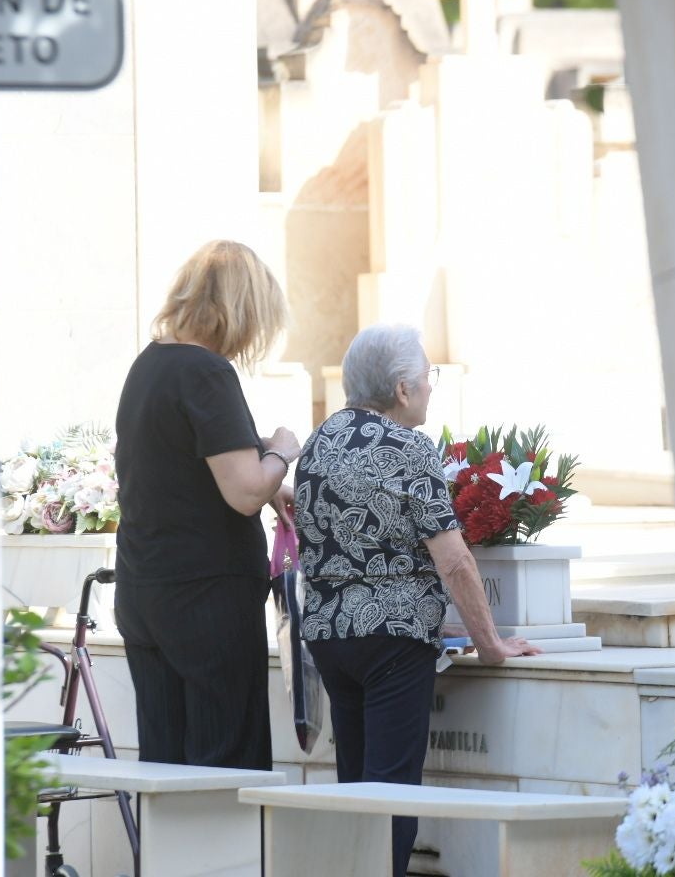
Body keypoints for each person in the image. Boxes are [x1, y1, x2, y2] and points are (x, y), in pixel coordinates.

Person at [293, 323, 541, 877]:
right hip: (393, 639)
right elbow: (453, 559)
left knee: (356, 788)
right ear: (403, 390)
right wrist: (492, 644)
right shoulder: (408, 448)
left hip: (331, 636)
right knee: (392, 792)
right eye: (428, 376)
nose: (431, 386)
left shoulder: (319, 441)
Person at [113, 240, 301, 771]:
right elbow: (244, 492)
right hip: (207, 599)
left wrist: (266, 475)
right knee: (224, 766)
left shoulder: (150, 365)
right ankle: (224, 861)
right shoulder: (206, 372)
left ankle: (165, 860)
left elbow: (186, 461)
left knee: (165, 763)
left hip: (145, 591)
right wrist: (282, 453)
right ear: (241, 311)